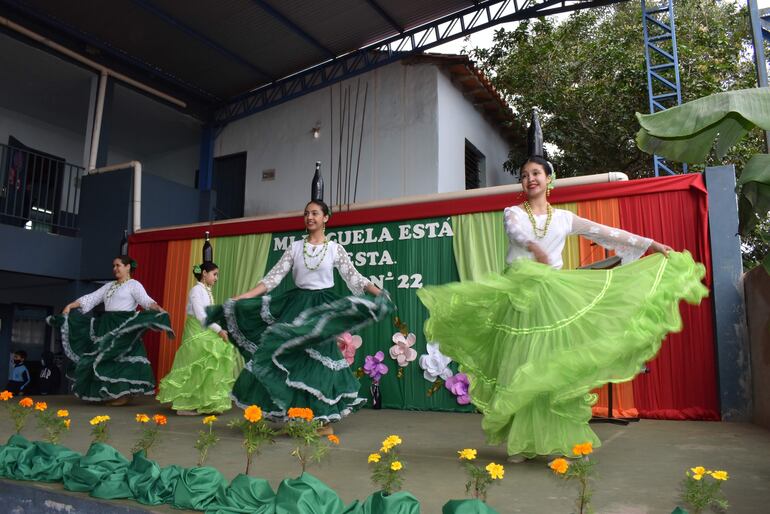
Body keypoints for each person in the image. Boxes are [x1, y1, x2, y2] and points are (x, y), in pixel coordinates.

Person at [417, 152, 708, 461]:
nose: (530, 178)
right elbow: (515, 232)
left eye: (536, 173)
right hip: (519, 296)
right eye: (525, 174)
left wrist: (650, 243)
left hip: (552, 295)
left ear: (549, 179)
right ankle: (522, 442)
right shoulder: (512, 212)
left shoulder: (565, 218)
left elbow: (606, 232)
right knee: (521, 367)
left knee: (552, 366)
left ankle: (564, 438)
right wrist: (532, 246)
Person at [207, 199, 393, 434]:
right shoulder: (295, 247)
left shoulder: (335, 249)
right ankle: (294, 415)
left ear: (326, 218)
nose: (309, 217)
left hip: (322, 308)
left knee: (320, 361)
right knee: (288, 359)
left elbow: (355, 278)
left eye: (315, 213)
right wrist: (245, 296)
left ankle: (321, 421)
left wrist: (379, 293)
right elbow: (272, 278)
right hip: (296, 305)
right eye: (306, 213)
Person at [47, 255, 173, 406]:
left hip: (124, 325)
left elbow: (145, 300)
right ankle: (115, 393)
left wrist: (158, 308)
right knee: (105, 358)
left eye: (118, 265)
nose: (115, 269)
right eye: (113, 266)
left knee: (123, 357)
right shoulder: (109, 286)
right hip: (107, 325)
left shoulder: (134, 285)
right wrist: (72, 305)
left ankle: (124, 394)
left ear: (128, 267)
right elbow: (92, 298)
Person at [157, 262, 241, 415]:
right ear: (204, 273)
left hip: (204, 330)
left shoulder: (205, 290)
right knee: (194, 366)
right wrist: (219, 330)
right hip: (196, 332)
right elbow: (201, 316)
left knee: (206, 365)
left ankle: (203, 402)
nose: (216, 278)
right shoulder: (196, 290)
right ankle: (185, 405)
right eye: (214, 274)